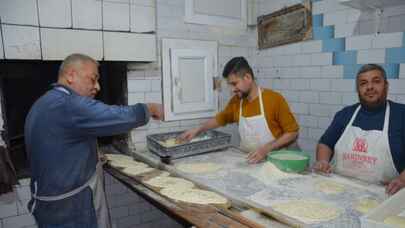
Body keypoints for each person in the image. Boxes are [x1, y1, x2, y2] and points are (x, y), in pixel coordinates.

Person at [24, 53, 164, 228]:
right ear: (70, 75)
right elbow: (115, 116)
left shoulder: (44, 102)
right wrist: (149, 108)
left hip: (49, 205)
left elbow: (60, 145)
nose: (97, 86)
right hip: (70, 210)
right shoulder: (68, 104)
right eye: (93, 79)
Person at [180, 56, 299, 163]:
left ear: (248, 77)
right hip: (252, 160)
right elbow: (221, 119)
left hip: (276, 162)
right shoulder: (237, 102)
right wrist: (198, 129)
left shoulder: (274, 99)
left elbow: (292, 132)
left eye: (234, 84)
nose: (232, 89)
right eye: (230, 85)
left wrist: (267, 149)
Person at [314, 64, 405, 195]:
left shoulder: (401, 115)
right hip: (337, 189)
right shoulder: (345, 114)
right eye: (363, 83)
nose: (369, 87)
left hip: (384, 194)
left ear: (386, 85)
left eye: (376, 81)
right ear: (358, 89)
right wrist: (322, 161)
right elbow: (325, 143)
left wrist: (402, 179)